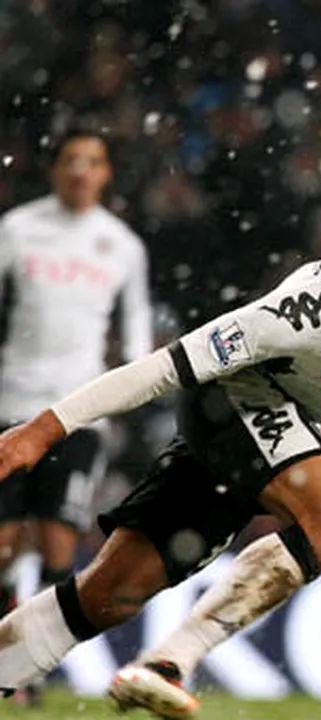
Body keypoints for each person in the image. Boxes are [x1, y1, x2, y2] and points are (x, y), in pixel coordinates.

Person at [0, 201, 321, 718]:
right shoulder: (310, 312)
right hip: (234, 401)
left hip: (279, 427)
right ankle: (170, 661)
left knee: (111, 596)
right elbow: (164, 367)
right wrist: (43, 431)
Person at [0, 126, 153, 705]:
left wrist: (134, 389)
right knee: (3, 543)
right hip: (11, 406)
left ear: (107, 172)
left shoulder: (121, 245)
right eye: (71, 160)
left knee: (60, 546)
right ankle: (5, 658)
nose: (81, 172)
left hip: (79, 413)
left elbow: (135, 329)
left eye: (92, 162)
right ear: (55, 168)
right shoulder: (17, 229)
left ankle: (21, 666)